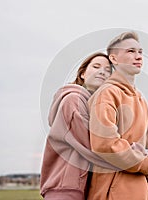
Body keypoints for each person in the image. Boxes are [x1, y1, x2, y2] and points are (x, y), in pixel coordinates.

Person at [87, 31, 148, 200]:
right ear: (114, 59)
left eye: (140, 52)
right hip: (111, 194)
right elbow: (105, 145)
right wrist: (147, 165)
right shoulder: (107, 93)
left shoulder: (140, 99)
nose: (138, 56)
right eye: (130, 51)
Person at [40, 52, 113, 200]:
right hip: (65, 188)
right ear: (83, 74)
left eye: (108, 70)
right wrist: (138, 161)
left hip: (79, 188)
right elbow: (95, 146)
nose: (102, 71)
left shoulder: (96, 108)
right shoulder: (73, 100)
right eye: (96, 66)